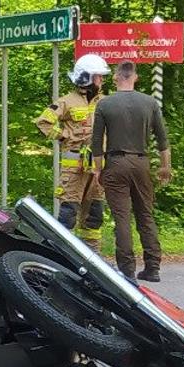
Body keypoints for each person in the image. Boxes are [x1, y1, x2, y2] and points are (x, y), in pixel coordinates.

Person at [89, 61, 172, 281]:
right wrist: (165, 167)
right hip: (142, 163)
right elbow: (163, 139)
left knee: (122, 218)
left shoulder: (105, 104)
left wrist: (98, 170)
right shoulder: (149, 102)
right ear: (135, 77)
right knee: (145, 214)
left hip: (115, 164)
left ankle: (127, 271)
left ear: (116, 77)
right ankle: (152, 267)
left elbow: (96, 142)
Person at [36, 53, 110, 249]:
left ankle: (93, 256)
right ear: (87, 77)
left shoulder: (106, 102)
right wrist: (64, 137)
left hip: (97, 167)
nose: (102, 80)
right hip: (73, 167)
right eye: (98, 76)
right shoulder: (67, 101)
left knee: (94, 214)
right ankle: (62, 254)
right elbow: (43, 122)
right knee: (68, 214)